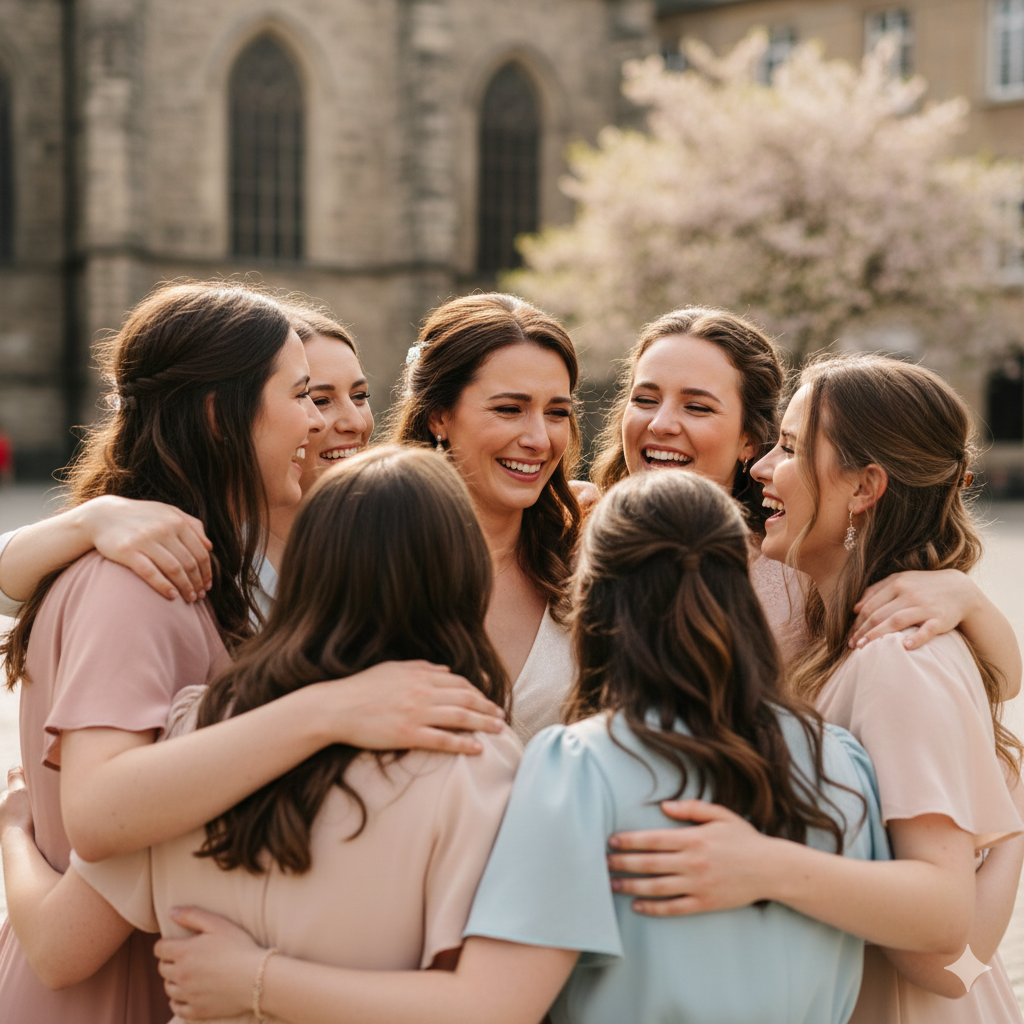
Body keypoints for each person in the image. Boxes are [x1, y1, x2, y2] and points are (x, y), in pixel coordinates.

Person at [150, 470, 889, 1024]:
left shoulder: (581, 769)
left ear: (592, 602)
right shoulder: (840, 762)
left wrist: (255, 979)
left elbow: (494, 1006)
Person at [0, 282, 503, 1024]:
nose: (323, 420)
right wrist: (331, 709)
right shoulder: (138, 582)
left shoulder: (202, 560)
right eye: (303, 394)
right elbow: (101, 819)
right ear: (218, 415)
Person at [605, 354, 1024, 1023]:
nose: (763, 467)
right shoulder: (844, 635)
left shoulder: (897, 660)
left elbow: (944, 945)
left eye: (793, 448)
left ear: (863, 489)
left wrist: (1010, 831)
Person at [592, 306, 1022, 687]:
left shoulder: (795, 558)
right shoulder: (574, 533)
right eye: (645, 399)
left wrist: (967, 599)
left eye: (698, 407)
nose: (661, 424)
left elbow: (998, 682)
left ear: (748, 440)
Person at [388, 292, 582, 741]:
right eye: (509, 409)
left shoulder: (585, 564)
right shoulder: (363, 555)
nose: (539, 438)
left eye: (556, 413)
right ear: (439, 416)